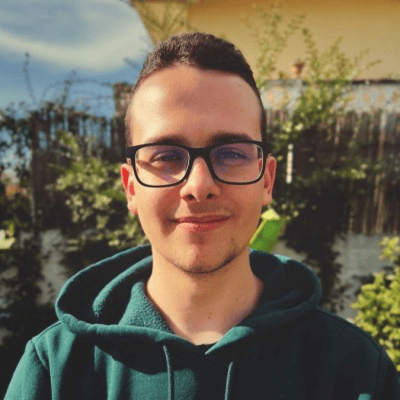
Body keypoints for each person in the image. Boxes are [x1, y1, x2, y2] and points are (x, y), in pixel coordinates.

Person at [5, 33, 399, 400]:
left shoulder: (355, 372)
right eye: (165, 156)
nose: (199, 185)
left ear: (267, 180)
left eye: (231, 153)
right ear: (131, 187)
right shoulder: (54, 372)